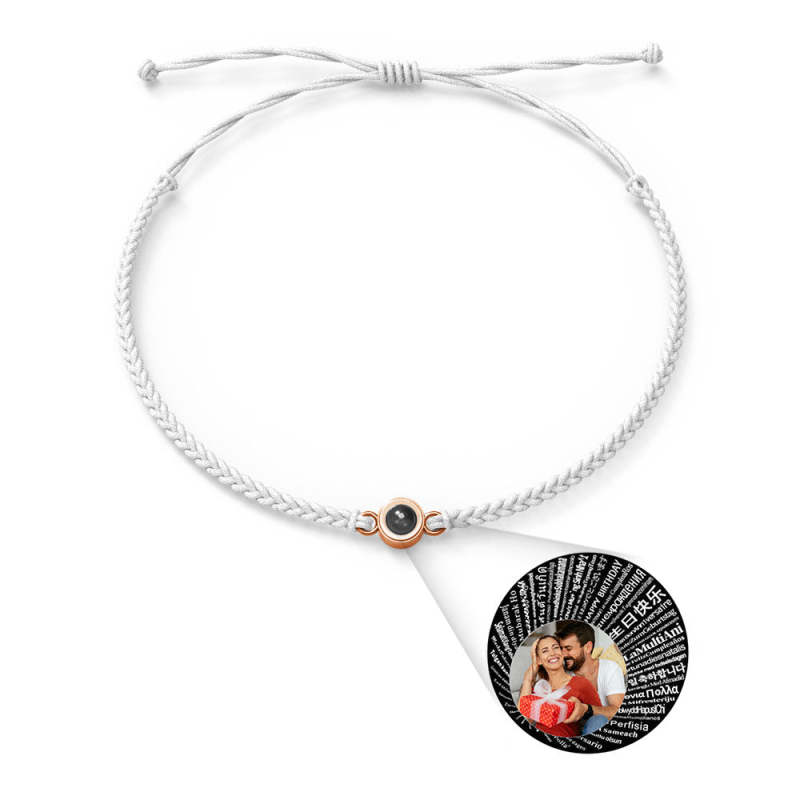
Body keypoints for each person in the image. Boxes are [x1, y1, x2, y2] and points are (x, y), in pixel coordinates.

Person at [517, 635, 601, 738]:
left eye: (556, 647)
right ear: (539, 660)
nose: (552, 653)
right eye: (545, 651)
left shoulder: (581, 683)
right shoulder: (538, 688)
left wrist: (584, 709)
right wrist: (529, 677)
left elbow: (601, 717)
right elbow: (522, 720)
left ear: (562, 653)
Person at [556, 620, 626, 734]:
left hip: (602, 728)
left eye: (568, 649)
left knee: (598, 720)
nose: (563, 655)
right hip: (571, 731)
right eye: (561, 649)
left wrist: (587, 709)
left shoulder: (610, 668)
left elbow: (617, 711)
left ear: (588, 647)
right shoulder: (562, 673)